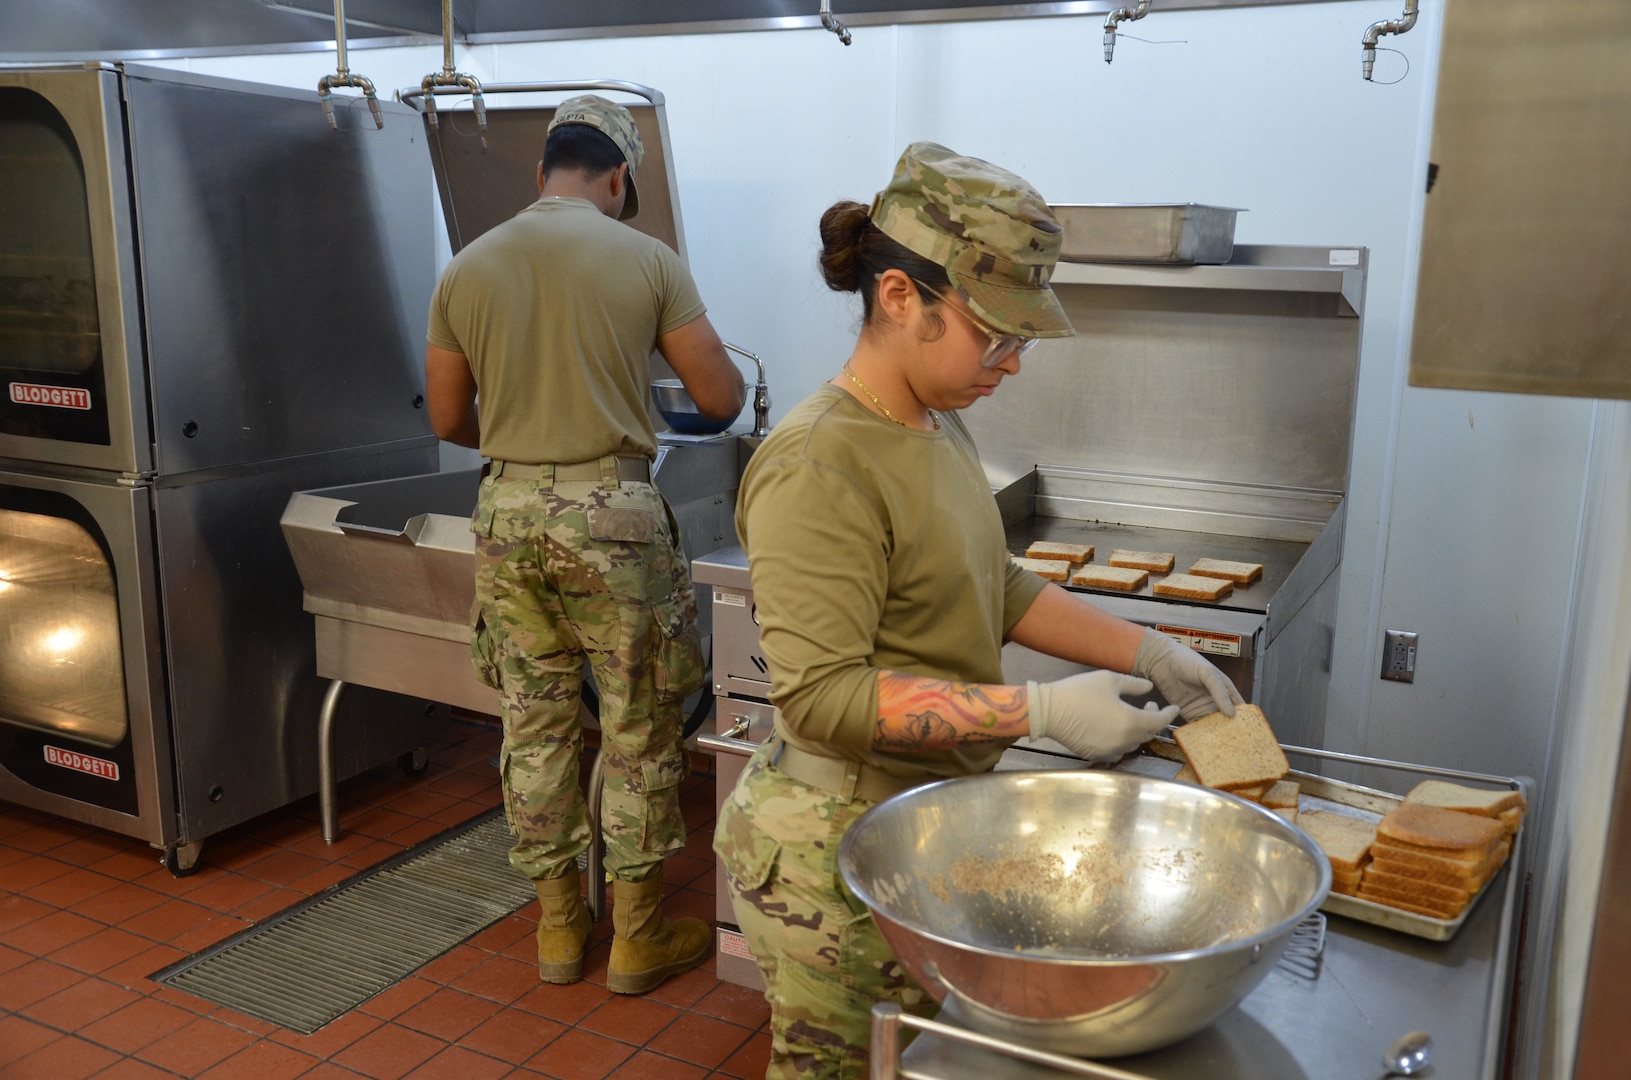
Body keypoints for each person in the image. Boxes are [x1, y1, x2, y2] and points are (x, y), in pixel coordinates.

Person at [714, 142, 1241, 1078]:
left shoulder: (934, 421)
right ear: (898, 298)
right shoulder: (816, 464)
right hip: (831, 853)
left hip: (922, 825)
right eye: (994, 334)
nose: (1012, 362)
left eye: (1022, 338)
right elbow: (823, 699)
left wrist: (1146, 649)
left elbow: (995, 587)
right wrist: (1038, 712)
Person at [424, 94, 745, 995]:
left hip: (507, 513)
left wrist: (529, 415)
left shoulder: (466, 268)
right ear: (618, 178)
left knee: (535, 728)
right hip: (614, 520)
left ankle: (560, 932)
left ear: (541, 175)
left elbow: (450, 416)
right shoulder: (647, 259)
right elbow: (719, 401)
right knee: (639, 727)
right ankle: (639, 940)